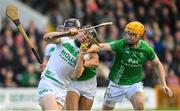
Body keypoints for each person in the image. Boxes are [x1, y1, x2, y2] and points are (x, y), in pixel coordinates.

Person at [88, 21, 172, 110]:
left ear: (139, 36)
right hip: (116, 84)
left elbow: (158, 64)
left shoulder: (146, 49)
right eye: (127, 33)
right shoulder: (121, 44)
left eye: (132, 34)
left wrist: (164, 84)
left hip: (134, 84)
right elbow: (102, 46)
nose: (128, 37)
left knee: (140, 105)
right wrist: (90, 48)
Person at [38, 18, 87, 110]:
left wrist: (81, 55)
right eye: (66, 29)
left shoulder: (83, 53)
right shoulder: (64, 39)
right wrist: (67, 33)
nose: (83, 36)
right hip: (49, 82)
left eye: (86, 35)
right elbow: (46, 37)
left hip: (62, 90)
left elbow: (77, 74)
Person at [65, 27, 99, 110]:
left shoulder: (91, 48)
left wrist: (82, 61)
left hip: (89, 83)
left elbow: (95, 62)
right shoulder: (70, 42)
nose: (85, 38)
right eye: (84, 33)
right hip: (73, 82)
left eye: (88, 37)